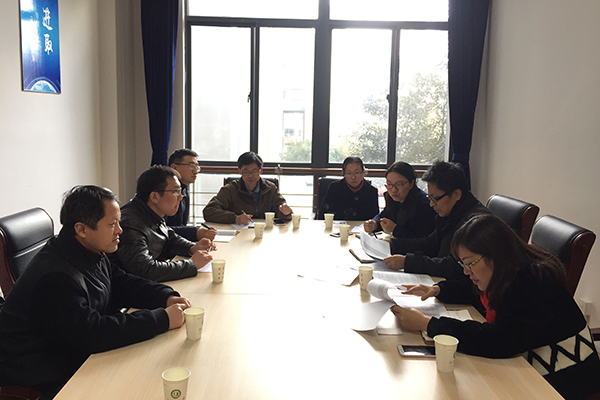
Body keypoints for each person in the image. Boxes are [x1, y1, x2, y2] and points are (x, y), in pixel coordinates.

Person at [0, 186, 191, 399]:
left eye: (119, 222)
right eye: (112, 224)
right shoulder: (55, 277)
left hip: (74, 352)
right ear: (82, 229)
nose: (120, 230)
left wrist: (165, 296)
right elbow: (93, 333)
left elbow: (120, 282)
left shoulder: (87, 250)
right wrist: (161, 319)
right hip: (45, 372)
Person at [391, 214, 600, 400]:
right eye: (463, 264)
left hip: (566, 378)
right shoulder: (507, 270)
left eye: (470, 264)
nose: (466, 272)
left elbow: (499, 340)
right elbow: (473, 290)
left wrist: (429, 324)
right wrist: (437, 289)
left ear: (495, 254)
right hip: (527, 364)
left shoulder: (533, 282)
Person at [383, 161, 490, 279]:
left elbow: (455, 266)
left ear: (456, 194)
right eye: (430, 198)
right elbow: (430, 244)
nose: (431, 204)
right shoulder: (449, 212)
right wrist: (393, 245)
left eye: (435, 198)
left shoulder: (477, 223)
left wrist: (407, 262)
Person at [113, 165, 214, 282]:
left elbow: (169, 237)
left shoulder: (150, 211)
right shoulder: (130, 223)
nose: (181, 197)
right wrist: (191, 264)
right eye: (175, 191)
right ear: (155, 196)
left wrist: (192, 248)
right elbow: (145, 270)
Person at [203, 151, 292, 225]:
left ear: (260, 171)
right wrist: (235, 218)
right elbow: (208, 211)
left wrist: (286, 212)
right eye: (246, 172)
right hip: (239, 233)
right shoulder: (230, 189)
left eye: (254, 171)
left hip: (265, 232)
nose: (250, 176)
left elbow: (283, 212)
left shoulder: (270, 188)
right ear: (240, 171)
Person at [364, 161, 436, 239]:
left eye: (399, 185)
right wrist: (374, 223)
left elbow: (422, 239)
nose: (393, 190)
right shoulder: (393, 197)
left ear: (411, 184)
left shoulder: (424, 204)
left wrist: (395, 229)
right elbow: (384, 215)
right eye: (389, 184)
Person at [165, 149, 217, 242]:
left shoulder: (184, 188)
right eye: (191, 166)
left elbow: (181, 225)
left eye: (197, 167)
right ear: (174, 167)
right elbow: (161, 230)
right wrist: (195, 232)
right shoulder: (165, 191)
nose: (195, 171)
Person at [318, 156, 379, 221]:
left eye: (357, 173)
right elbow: (323, 215)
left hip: (362, 227)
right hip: (338, 226)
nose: (353, 177)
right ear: (344, 174)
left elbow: (375, 219)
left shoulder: (371, 191)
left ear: (363, 173)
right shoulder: (334, 188)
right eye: (349, 173)